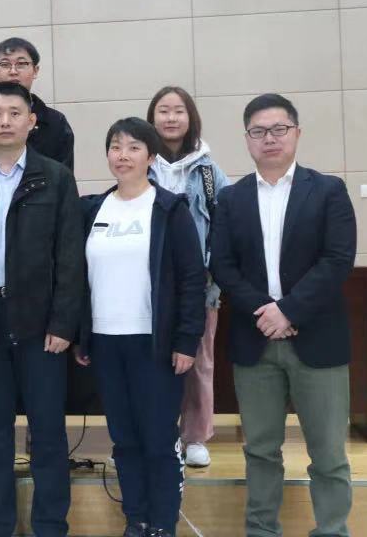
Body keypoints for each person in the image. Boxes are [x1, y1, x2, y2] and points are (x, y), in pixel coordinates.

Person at [209, 94, 357, 537]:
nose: (269, 139)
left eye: (279, 129)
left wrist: (288, 310)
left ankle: (331, 529)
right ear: (247, 139)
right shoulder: (230, 199)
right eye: (258, 131)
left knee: (328, 453)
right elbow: (223, 266)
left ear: (297, 133)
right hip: (254, 341)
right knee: (260, 450)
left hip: (317, 339)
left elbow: (337, 260)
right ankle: (261, 530)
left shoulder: (328, 190)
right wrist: (266, 312)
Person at [0, 82, 85, 537]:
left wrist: (64, 322)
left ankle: (50, 524)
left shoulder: (56, 178)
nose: (5, 121)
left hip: (40, 323)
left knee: (47, 430)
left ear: (31, 121)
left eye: (14, 112)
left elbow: (70, 256)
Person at [75, 117, 207, 537]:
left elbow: (192, 281)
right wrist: (82, 335)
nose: (123, 155)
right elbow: (78, 278)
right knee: (124, 439)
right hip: (105, 343)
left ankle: (163, 523)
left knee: (158, 439)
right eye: (116, 146)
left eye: (134, 147)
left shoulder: (169, 209)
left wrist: (186, 341)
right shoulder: (92, 209)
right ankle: (137, 519)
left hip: (155, 344)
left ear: (151, 157)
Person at [146, 86, 230, 469]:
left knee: (198, 362)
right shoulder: (142, 163)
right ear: (152, 118)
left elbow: (226, 224)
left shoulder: (209, 171)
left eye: (178, 110)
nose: (170, 118)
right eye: (163, 110)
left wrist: (214, 276)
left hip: (199, 283)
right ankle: (160, 431)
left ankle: (194, 436)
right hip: (149, 281)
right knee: (154, 359)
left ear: (190, 117)